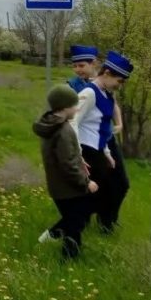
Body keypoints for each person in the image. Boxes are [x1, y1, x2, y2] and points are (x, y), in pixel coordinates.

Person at [68, 45, 130, 229]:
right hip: (87, 145)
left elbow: (111, 109)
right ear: (108, 73)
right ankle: (71, 226)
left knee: (117, 184)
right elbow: (72, 119)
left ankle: (105, 221)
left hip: (103, 142)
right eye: (75, 66)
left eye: (82, 65)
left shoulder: (106, 89)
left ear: (94, 64)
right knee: (93, 189)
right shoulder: (82, 89)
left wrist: (118, 125)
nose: (78, 69)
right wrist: (77, 152)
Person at [34, 84, 98, 258]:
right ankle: (68, 260)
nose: (77, 109)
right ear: (64, 107)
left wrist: (79, 159)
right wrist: (86, 182)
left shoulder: (51, 125)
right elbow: (67, 164)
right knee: (75, 225)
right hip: (68, 188)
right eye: (74, 106)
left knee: (74, 219)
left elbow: (64, 155)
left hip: (58, 186)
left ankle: (50, 238)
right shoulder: (63, 130)